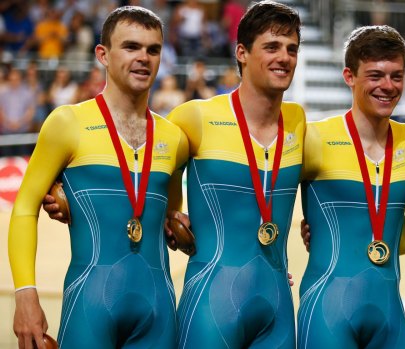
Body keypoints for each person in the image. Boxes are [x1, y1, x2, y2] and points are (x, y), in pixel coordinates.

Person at [8, 6, 188, 348]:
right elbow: (24, 208)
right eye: (131, 47)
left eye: (153, 49)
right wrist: (25, 294)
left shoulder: (174, 138)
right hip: (90, 306)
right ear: (102, 54)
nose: (143, 58)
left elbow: (169, 220)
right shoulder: (67, 124)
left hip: (159, 311)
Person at [166, 1, 304, 347]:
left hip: (277, 307)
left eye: (291, 49)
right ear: (241, 52)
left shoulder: (300, 123)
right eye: (271, 47)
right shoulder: (194, 117)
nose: (284, 57)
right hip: (211, 306)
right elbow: (137, 167)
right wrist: (169, 214)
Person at [297, 25, 405, 349]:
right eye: (376, 75)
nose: (388, 86)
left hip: (388, 313)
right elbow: (264, 192)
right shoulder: (315, 137)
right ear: (349, 76)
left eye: (396, 75)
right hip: (326, 310)